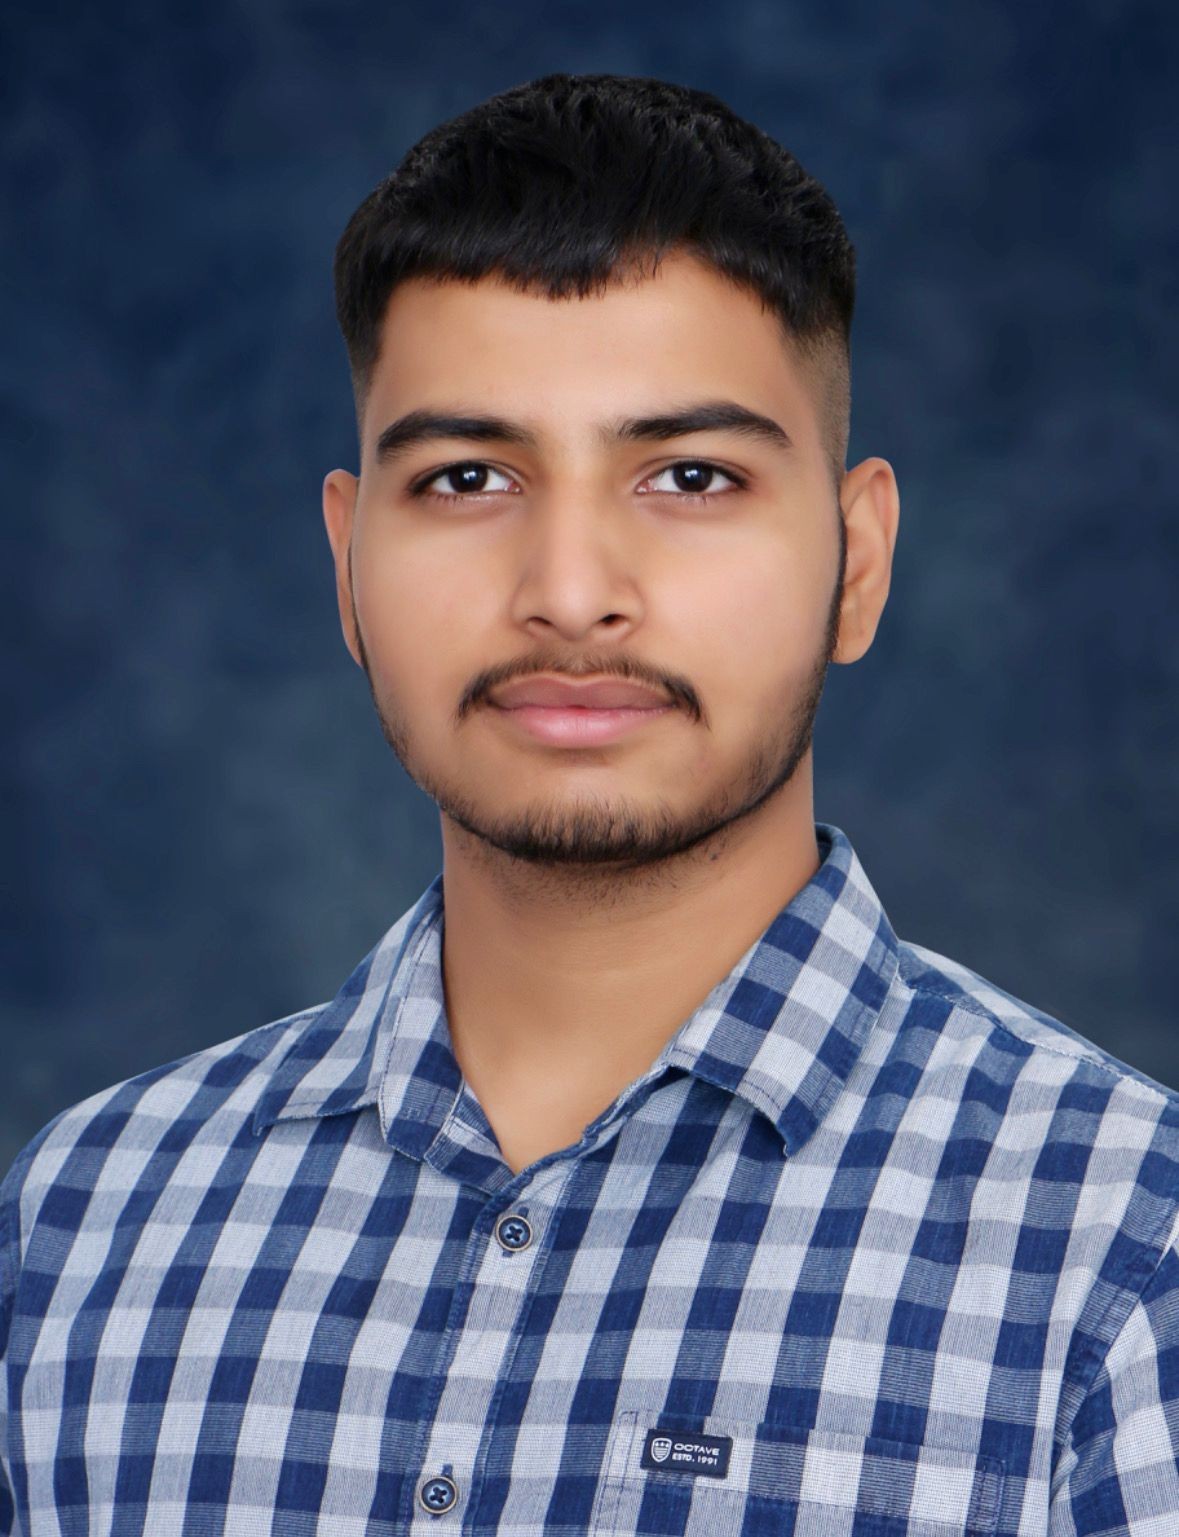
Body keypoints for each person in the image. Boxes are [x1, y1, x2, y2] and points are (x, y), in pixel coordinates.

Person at [2, 71, 1175, 1537]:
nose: (569, 595)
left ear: (858, 559)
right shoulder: (84, 1227)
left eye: (688, 474)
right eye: (470, 475)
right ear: (348, 560)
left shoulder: (1123, 1255)